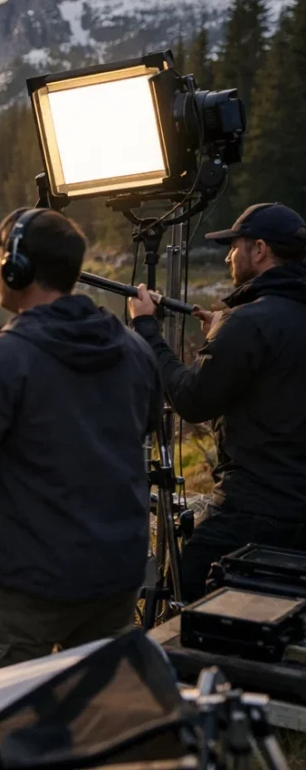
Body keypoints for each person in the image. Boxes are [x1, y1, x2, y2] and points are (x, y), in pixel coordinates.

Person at [0, 208, 159, 678]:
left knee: (0, 729)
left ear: (17, 269)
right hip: (116, 575)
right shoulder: (135, 349)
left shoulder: (2, 357)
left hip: (24, 582)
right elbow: (145, 428)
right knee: (97, 722)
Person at [128, 203, 306, 603]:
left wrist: (146, 330)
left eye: (234, 247)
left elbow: (192, 400)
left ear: (259, 250)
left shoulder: (248, 323)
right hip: (299, 514)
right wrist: (222, 339)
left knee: (185, 603)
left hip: (251, 510)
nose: (228, 256)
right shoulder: (262, 320)